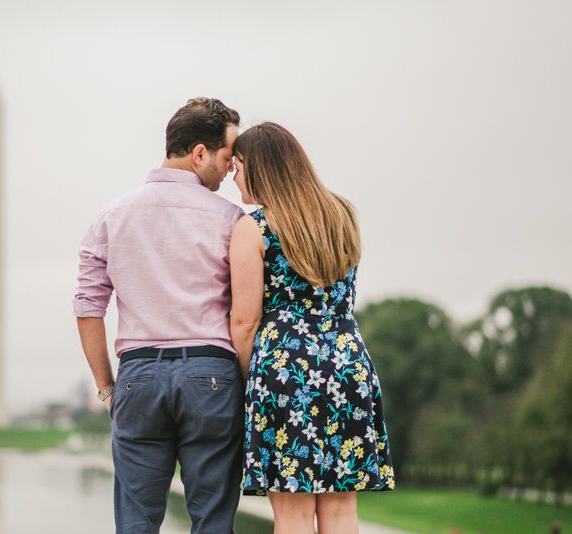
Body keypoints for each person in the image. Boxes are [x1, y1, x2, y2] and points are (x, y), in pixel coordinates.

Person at [73, 98, 245, 534]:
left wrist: (106, 387)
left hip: (138, 376)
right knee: (212, 521)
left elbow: (88, 307)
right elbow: (246, 311)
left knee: (136, 522)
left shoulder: (111, 216)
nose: (231, 169)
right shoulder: (232, 220)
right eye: (228, 157)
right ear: (200, 153)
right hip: (211, 374)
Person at [229, 122, 395, 534]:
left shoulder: (254, 227)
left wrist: (256, 383)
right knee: (341, 510)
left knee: (293, 513)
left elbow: (245, 323)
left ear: (259, 167)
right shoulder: (341, 214)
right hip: (347, 362)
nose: (233, 175)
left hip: (285, 371)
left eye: (238, 166)